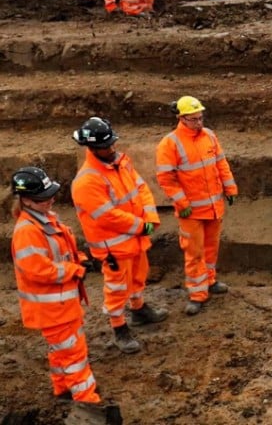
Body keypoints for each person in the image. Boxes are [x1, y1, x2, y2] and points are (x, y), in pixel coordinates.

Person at [71, 117, 168, 354]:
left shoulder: (121, 163)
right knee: (116, 288)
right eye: (106, 146)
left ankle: (138, 309)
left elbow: (142, 188)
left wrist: (150, 216)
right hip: (114, 247)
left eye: (112, 143)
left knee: (138, 276)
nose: (112, 149)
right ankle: (119, 328)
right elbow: (107, 216)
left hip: (134, 238)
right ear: (92, 148)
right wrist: (141, 226)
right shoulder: (86, 181)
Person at [10, 166, 105, 406]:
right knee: (74, 353)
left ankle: (62, 387)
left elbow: (60, 251)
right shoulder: (27, 231)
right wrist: (74, 270)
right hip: (53, 308)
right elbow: (37, 269)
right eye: (44, 198)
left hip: (60, 303)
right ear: (27, 200)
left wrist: (79, 258)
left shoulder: (45, 219)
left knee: (60, 350)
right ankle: (87, 400)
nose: (50, 199)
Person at [156, 96, 238, 316]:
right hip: (190, 211)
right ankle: (197, 293)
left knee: (211, 249)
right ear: (181, 118)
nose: (198, 123)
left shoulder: (209, 136)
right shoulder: (170, 143)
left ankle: (210, 281)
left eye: (200, 118)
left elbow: (220, 163)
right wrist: (182, 203)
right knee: (194, 253)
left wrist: (230, 188)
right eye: (193, 119)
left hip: (213, 207)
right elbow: (166, 178)